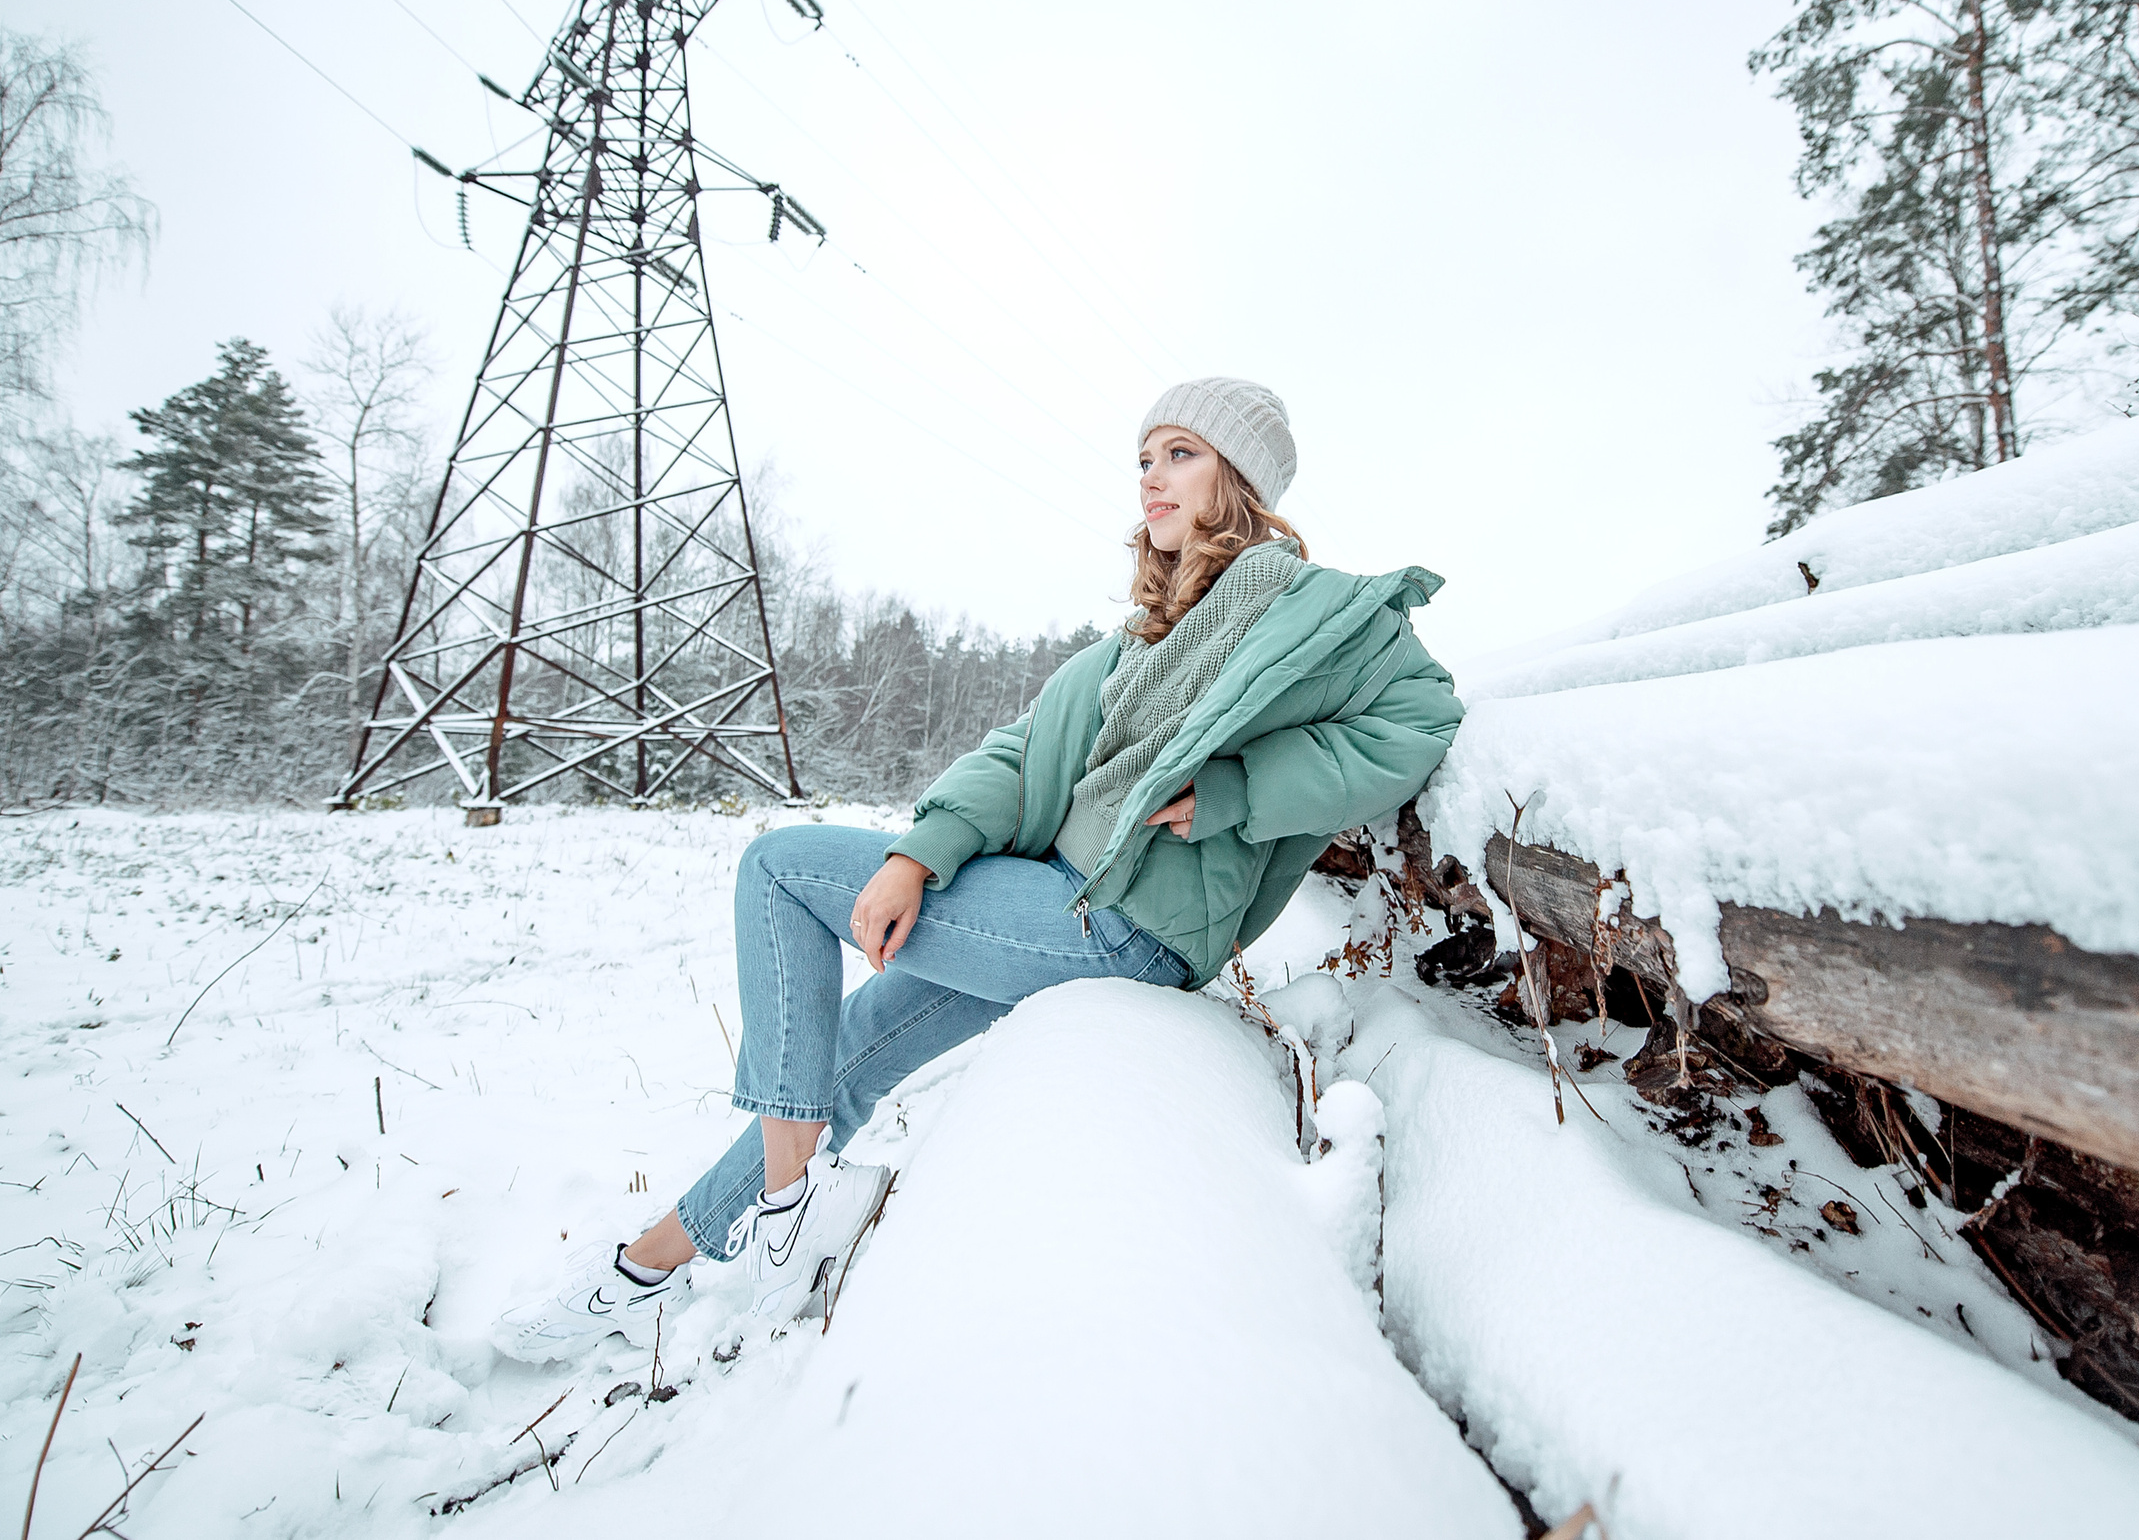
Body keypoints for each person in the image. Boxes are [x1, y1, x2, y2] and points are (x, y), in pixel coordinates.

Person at [498, 377, 1463, 1358]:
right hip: (1047, 898)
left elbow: (1420, 719)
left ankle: (788, 1204)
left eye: (1180, 454)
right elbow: (1019, 754)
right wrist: (921, 852)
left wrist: (1242, 792)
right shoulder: (1136, 639)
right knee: (841, 1063)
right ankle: (647, 1265)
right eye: (1142, 459)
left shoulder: (1319, 614)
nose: (1150, 480)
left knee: (779, 868)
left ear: (1241, 476)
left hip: (1127, 923)